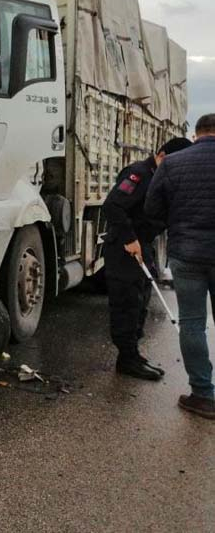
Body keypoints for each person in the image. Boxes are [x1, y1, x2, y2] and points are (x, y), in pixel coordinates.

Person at [101, 136, 192, 380]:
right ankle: (126, 358)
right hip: (125, 248)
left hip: (144, 246)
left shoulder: (162, 176)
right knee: (127, 304)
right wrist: (130, 239)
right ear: (161, 155)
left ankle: (132, 353)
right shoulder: (139, 174)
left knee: (141, 302)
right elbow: (112, 206)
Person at [146, 115, 215, 419]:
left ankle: (202, 395)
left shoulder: (173, 163)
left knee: (192, 323)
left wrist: (176, 224)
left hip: (186, 254)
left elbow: (152, 209)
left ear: (197, 133)